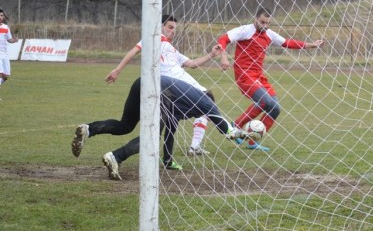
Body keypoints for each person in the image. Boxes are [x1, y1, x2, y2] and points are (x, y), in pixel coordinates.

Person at [72, 76, 252, 180]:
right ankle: (115, 157)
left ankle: (89, 129)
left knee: (125, 125)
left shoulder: (184, 102)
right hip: (158, 89)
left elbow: (170, 131)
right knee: (150, 138)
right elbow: (227, 131)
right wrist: (242, 134)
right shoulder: (207, 104)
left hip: (142, 80)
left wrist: (168, 161)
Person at [106, 14, 215, 160]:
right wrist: (117, 70)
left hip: (167, 93)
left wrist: (212, 54)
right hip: (154, 90)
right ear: (161, 27)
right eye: (170, 27)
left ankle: (167, 159)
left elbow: (192, 64)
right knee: (152, 133)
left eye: (175, 28)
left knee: (161, 127)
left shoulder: (172, 50)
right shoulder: (152, 39)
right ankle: (116, 156)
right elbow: (134, 51)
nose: (173, 31)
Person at [217, 7, 325, 152]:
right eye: (262, 22)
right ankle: (236, 126)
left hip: (259, 76)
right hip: (244, 74)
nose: (265, 26)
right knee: (265, 102)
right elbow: (223, 39)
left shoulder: (269, 34)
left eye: (268, 23)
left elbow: (287, 43)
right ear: (256, 19)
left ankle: (251, 142)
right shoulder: (245, 30)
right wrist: (223, 56)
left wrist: (310, 45)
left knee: (275, 109)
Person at [0, 9, 19, 92]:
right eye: (0, 15)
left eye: (2, 15)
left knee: (6, 76)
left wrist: (14, 40)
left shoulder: (5, 27)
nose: (1, 17)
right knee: (0, 73)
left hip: (4, 53)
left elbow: (9, 39)